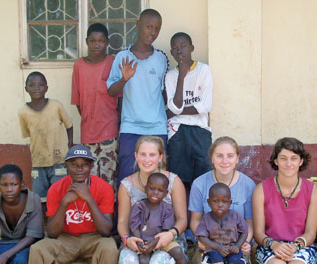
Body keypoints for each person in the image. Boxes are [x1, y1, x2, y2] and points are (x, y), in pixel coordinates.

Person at [8, 145, 118, 264]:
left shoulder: (103, 187)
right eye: (74, 165)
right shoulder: (56, 189)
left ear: (91, 166)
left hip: (94, 238)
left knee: (110, 249)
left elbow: (106, 230)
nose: (79, 169)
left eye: (84, 165)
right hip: (65, 239)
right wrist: (65, 202)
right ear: (67, 166)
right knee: (38, 250)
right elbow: (51, 232)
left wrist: (88, 198)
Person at [115, 136, 187, 264]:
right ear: (136, 156)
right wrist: (127, 238)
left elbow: (182, 219)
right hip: (136, 239)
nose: (147, 159)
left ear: (160, 157)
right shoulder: (127, 185)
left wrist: (169, 235)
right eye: (143, 154)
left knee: (160, 263)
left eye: (152, 155)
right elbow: (122, 221)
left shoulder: (173, 181)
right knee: (128, 261)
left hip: (166, 238)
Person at [189, 136, 255, 264]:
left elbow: (249, 223)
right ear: (212, 158)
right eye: (219, 156)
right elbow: (195, 220)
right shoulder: (200, 184)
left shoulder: (247, 185)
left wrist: (244, 243)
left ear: (237, 159)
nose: (224, 161)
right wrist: (202, 240)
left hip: (236, 245)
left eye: (230, 156)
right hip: (209, 244)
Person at [107, 9, 169, 187]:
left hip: (157, 127)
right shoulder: (122, 57)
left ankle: (155, 215)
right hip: (131, 127)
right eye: (149, 27)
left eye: (157, 29)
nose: (153, 33)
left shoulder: (161, 58)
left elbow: (164, 92)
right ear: (138, 25)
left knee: (157, 178)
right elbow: (111, 91)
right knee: (127, 177)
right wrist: (124, 79)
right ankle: (124, 215)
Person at [129, 172, 194, 264]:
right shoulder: (139, 206)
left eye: (160, 190)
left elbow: (166, 231)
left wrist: (155, 243)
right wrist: (139, 241)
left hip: (161, 240)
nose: (155, 193)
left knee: (177, 251)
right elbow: (134, 226)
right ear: (146, 189)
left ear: (166, 193)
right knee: (143, 263)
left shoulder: (167, 208)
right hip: (143, 241)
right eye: (152, 189)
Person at [71, 23, 119, 190]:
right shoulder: (79, 66)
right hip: (88, 132)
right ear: (86, 42)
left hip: (109, 132)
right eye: (93, 41)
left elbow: (119, 99)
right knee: (88, 178)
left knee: (108, 178)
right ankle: (90, 215)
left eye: (101, 41)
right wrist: (88, 118)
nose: (97, 45)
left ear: (107, 42)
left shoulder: (113, 63)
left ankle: (107, 215)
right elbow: (78, 101)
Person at [165, 32, 213, 188]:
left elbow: (205, 106)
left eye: (183, 46)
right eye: (175, 48)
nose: (179, 51)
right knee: (179, 178)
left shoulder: (203, 70)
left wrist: (176, 111)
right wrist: (181, 76)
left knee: (204, 174)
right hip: (177, 131)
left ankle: (199, 212)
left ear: (192, 48)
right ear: (171, 53)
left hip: (200, 129)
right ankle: (181, 212)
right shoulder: (171, 76)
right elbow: (174, 107)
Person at [19, 71, 73, 203]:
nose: (36, 88)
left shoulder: (56, 106)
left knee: (60, 197)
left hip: (59, 161)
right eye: (32, 85)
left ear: (46, 88)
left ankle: (60, 223)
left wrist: (70, 144)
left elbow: (69, 125)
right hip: (38, 162)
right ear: (26, 89)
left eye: (40, 85)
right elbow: (28, 134)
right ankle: (44, 223)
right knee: (40, 199)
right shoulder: (23, 112)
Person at [195, 183, 248, 264]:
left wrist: (238, 246)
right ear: (209, 202)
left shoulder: (235, 216)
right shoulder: (207, 218)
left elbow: (244, 232)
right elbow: (201, 236)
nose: (220, 205)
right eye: (215, 201)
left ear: (230, 202)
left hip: (232, 246)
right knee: (215, 260)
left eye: (224, 202)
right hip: (214, 248)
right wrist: (217, 246)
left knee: (235, 261)